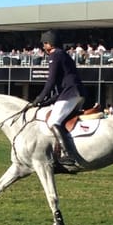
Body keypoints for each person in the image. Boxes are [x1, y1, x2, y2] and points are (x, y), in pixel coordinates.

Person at [32, 30, 85, 167]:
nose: (44, 47)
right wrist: (46, 102)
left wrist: (38, 98)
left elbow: (51, 81)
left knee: (53, 121)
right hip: (75, 93)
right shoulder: (63, 55)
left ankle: (67, 155)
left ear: (49, 43)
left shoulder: (55, 55)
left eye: (44, 44)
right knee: (62, 121)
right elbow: (59, 90)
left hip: (71, 93)